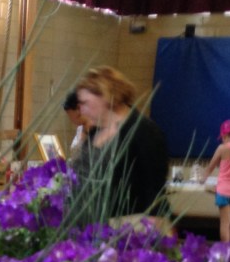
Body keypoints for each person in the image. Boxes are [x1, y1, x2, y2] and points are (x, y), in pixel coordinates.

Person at [72, 65, 169, 225]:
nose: (81, 110)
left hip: (125, 227)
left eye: (85, 103)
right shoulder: (95, 132)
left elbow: (153, 189)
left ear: (105, 96)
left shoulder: (144, 132)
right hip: (90, 225)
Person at [62, 90, 90, 163]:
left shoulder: (98, 126)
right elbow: (74, 150)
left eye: (70, 115)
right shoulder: (80, 129)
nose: (70, 119)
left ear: (78, 109)